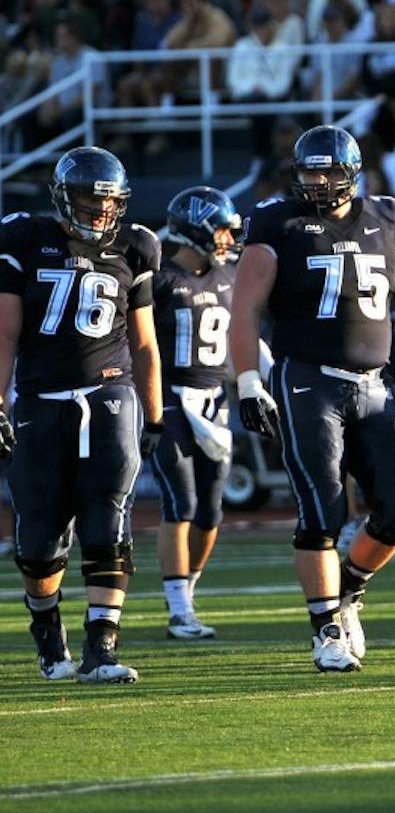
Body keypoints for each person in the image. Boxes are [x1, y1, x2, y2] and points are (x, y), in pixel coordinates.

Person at [228, 125, 395, 673]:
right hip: (308, 379)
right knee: (321, 510)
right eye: (310, 172)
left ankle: (348, 589)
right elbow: (245, 307)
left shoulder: (388, 217)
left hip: (375, 382)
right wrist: (248, 380)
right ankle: (325, 627)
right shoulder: (277, 221)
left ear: (353, 171)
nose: (319, 181)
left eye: (329, 170)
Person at [0, 147, 164, 683]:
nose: (99, 212)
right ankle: (48, 632)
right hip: (42, 401)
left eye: (108, 202)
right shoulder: (25, 238)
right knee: (40, 541)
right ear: (63, 196)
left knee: (108, 519)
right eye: (90, 201)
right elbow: (3, 333)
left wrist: (155, 414)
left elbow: (144, 343)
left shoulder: (136, 247)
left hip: (109, 396)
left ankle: (102, 648)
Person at [150, 187, 242, 641]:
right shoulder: (159, 280)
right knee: (180, 501)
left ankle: (189, 591)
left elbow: (248, 338)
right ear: (197, 228)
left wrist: (259, 382)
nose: (227, 238)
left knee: (211, 511)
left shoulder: (230, 278)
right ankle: (178, 609)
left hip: (215, 401)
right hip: (170, 398)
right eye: (221, 229)